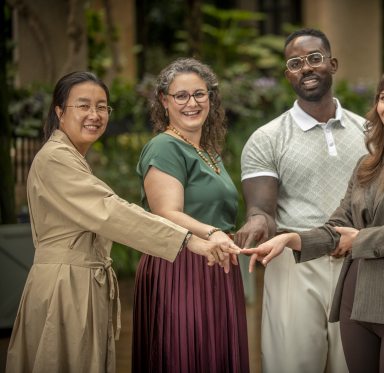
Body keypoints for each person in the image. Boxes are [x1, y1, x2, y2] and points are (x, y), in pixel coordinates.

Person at [5, 71, 239, 373]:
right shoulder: (54, 158)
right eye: (84, 106)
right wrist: (190, 240)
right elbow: (111, 212)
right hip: (64, 288)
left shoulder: (71, 157)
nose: (94, 114)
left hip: (81, 281)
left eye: (102, 106)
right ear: (60, 112)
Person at [242, 63, 384, 373]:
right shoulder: (367, 165)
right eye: (383, 98)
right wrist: (292, 239)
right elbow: (337, 227)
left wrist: (357, 240)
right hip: (356, 302)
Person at [234, 28, 366, 373]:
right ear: (286, 75)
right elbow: (261, 208)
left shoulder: (370, 133)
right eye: (295, 63)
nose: (305, 67)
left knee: (353, 363)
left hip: (358, 263)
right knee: (290, 365)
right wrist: (257, 223)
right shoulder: (267, 138)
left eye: (314, 58)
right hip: (294, 264)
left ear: (332, 64)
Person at [132, 57, 249, 373]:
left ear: (211, 97)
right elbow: (167, 213)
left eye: (200, 94)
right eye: (180, 95)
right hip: (180, 265)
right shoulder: (164, 147)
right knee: (186, 356)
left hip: (216, 266)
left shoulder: (207, 150)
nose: (192, 103)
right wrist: (212, 233)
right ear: (164, 101)